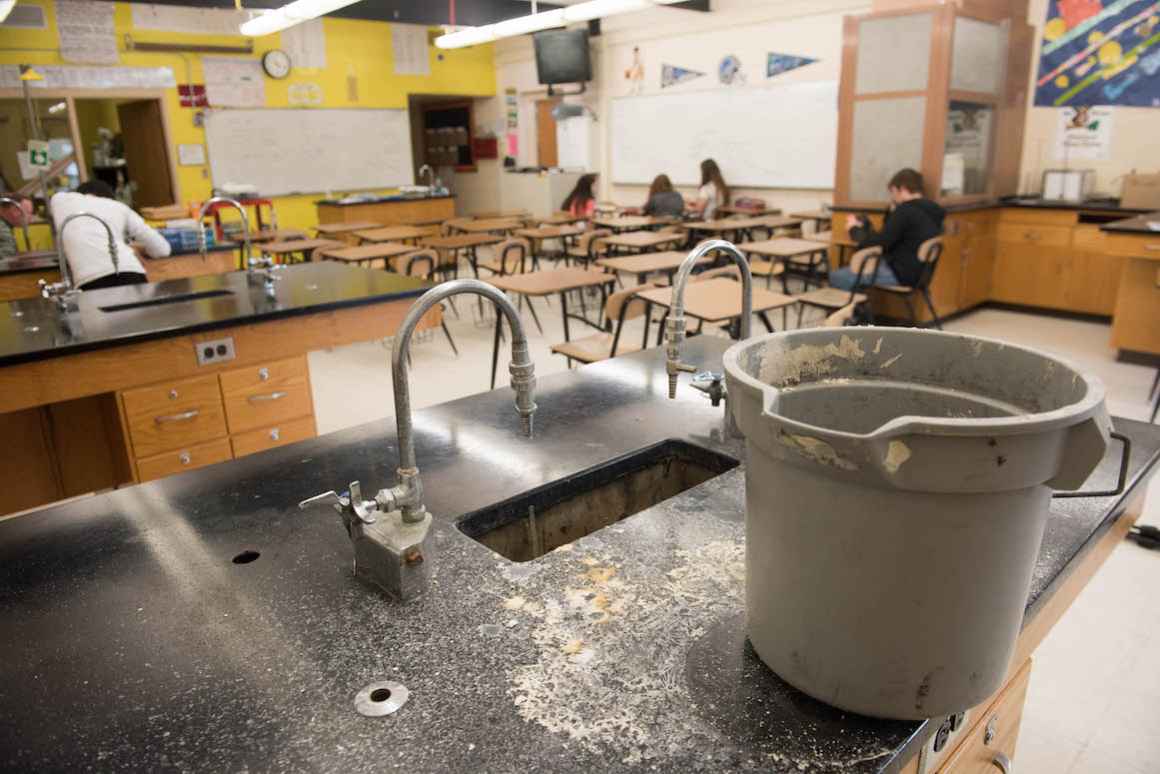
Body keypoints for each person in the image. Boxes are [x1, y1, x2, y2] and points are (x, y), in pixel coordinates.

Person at [830, 168, 945, 291]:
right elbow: (891, 236)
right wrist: (891, 213)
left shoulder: (906, 211)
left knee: (838, 276)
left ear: (902, 189)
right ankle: (858, 306)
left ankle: (856, 309)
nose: (892, 197)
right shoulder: (932, 211)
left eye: (893, 192)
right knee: (859, 270)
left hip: (901, 274)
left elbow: (881, 243)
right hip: (919, 274)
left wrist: (853, 229)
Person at [49, 180, 170, 290]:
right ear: (109, 197)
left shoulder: (59, 200)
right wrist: (134, 249)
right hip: (131, 274)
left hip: (90, 282)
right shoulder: (119, 207)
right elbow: (163, 249)